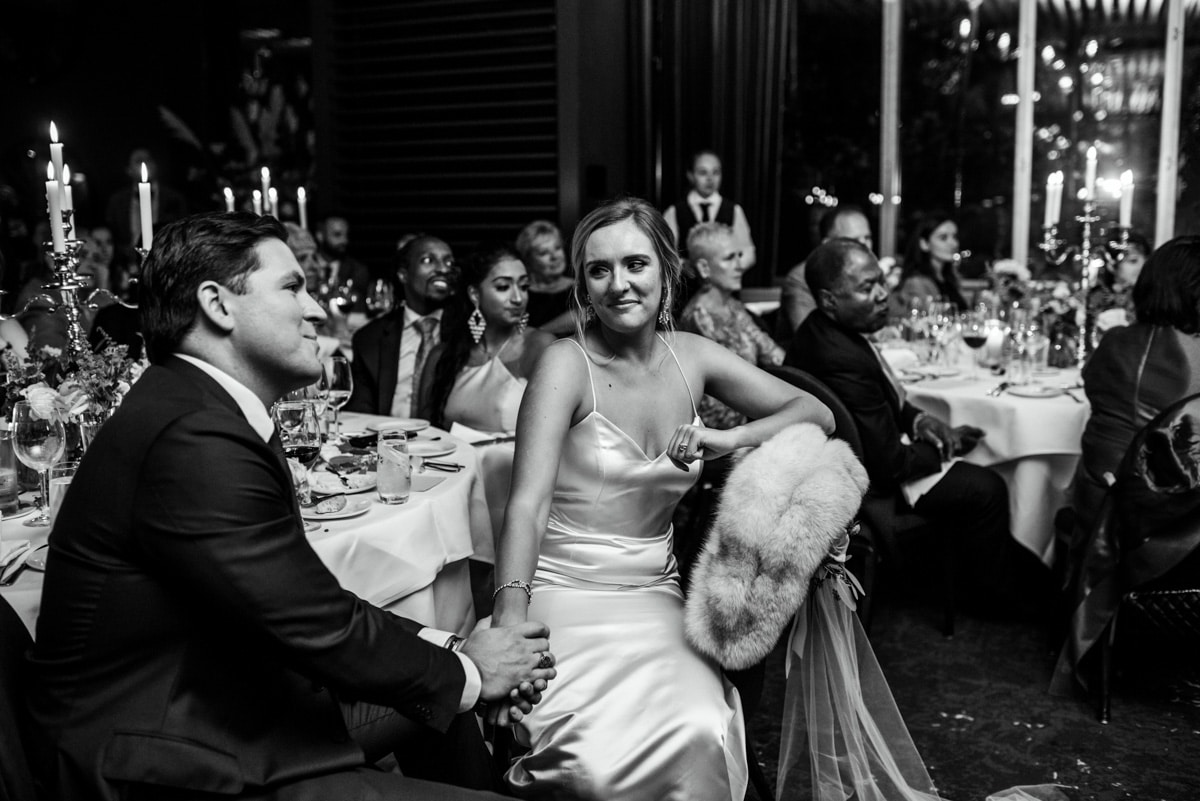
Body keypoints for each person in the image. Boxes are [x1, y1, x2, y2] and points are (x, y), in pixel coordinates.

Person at [26, 211, 557, 801]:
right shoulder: (192, 434)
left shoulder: (203, 406)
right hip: (166, 754)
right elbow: (315, 624)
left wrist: (459, 656)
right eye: (292, 287)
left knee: (440, 703)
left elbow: (305, 599)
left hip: (229, 699)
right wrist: (474, 671)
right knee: (446, 694)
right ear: (217, 305)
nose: (318, 310)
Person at [490, 196, 833, 800]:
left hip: (653, 593)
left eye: (635, 264)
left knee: (699, 729)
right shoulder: (565, 366)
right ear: (583, 287)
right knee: (590, 757)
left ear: (666, 272)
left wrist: (730, 438)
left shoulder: (692, 357)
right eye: (599, 270)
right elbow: (525, 507)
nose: (618, 283)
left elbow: (816, 412)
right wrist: (508, 635)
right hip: (563, 590)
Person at [787, 238, 1030, 601]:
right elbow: (889, 465)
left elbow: (887, 398)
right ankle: (994, 596)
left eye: (880, 281)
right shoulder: (840, 358)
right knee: (988, 486)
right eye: (867, 288)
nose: (883, 294)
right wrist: (947, 449)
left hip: (862, 458)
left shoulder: (826, 331)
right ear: (829, 300)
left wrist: (921, 423)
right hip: (866, 489)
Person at [1069, 235, 1200, 563]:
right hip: (1166, 530)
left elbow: (1091, 385)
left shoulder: (1115, 341)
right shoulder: (1193, 355)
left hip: (1095, 505)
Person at [421, 243, 553, 432]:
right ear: (475, 294)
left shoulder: (539, 346)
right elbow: (425, 434)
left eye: (524, 286)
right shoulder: (442, 356)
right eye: (503, 287)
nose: (518, 298)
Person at [679, 222, 783, 430]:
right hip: (721, 434)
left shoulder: (732, 305)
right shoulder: (699, 318)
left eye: (739, 256)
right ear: (704, 268)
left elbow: (771, 353)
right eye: (729, 258)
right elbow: (725, 399)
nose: (740, 265)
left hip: (753, 417)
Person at [348, 234, 458, 416]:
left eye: (449, 262)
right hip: (388, 431)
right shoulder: (369, 338)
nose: (442, 269)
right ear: (403, 274)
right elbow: (360, 412)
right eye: (428, 260)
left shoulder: (464, 333)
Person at [779, 204, 875, 338]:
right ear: (828, 244)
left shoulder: (867, 277)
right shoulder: (801, 278)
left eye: (867, 238)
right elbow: (811, 338)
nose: (865, 246)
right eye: (854, 240)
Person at [663, 149, 756, 269]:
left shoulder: (734, 210)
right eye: (703, 172)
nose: (710, 178)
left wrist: (730, 266)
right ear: (691, 176)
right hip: (687, 279)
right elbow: (665, 253)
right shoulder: (674, 211)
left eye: (715, 172)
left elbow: (748, 251)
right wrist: (685, 266)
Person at [104, 148, 188, 257]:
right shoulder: (117, 200)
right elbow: (111, 233)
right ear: (128, 169)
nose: (144, 164)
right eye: (138, 161)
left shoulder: (173, 198)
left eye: (148, 160)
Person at [895, 211, 969, 313]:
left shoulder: (949, 278)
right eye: (943, 238)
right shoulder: (916, 282)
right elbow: (926, 318)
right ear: (924, 244)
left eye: (954, 237)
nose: (953, 244)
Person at [515, 220, 574, 336]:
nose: (554, 256)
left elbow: (585, 315)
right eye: (544, 253)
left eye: (557, 248)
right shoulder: (519, 294)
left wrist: (537, 333)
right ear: (528, 260)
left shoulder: (581, 287)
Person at [1087, 231, 1151, 338]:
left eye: (1146, 261)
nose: (1142, 266)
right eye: (1133, 261)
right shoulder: (1095, 296)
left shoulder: (1152, 298)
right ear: (1111, 265)